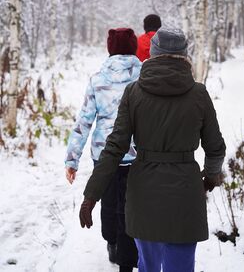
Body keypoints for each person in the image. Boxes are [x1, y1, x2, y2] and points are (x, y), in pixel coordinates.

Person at [79, 27, 226, 272]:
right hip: (186, 195)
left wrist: (91, 195)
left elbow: (114, 147)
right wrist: (210, 177)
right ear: (184, 56)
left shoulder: (133, 92)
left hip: (143, 194)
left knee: (147, 267)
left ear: (152, 54)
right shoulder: (199, 94)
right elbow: (216, 148)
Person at [65, 28, 141, 272]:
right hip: (136, 154)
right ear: (133, 47)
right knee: (131, 207)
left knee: (108, 202)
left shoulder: (97, 79)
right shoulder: (144, 76)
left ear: (110, 48)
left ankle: (112, 242)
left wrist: (72, 159)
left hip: (103, 154)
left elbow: (84, 121)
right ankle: (127, 256)